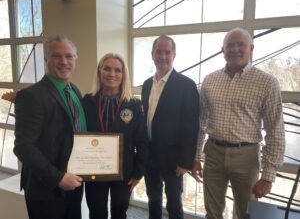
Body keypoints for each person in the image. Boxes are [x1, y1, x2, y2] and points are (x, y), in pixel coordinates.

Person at [192, 27, 285, 219]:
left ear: (251, 48)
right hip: (213, 154)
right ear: (222, 50)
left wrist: (268, 176)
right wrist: (195, 157)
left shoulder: (267, 82)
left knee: (245, 213)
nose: (235, 49)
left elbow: (275, 130)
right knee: (212, 210)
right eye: (230, 45)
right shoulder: (210, 80)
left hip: (247, 157)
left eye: (240, 44)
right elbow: (201, 123)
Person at [13, 34, 86, 219]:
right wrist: (58, 178)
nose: (64, 61)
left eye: (69, 56)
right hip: (45, 189)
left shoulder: (75, 91)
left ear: (75, 59)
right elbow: (23, 147)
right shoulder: (31, 96)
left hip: (74, 182)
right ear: (46, 59)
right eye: (56, 56)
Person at [82, 53, 148, 219]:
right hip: (94, 169)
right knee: (96, 212)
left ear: (123, 75)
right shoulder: (87, 101)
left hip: (124, 170)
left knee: (120, 212)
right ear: (99, 71)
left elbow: (142, 141)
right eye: (107, 69)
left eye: (117, 70)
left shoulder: (134, 104)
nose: (112, 74)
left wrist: (138, 172)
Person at [141, 35, 200, 219]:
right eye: (159, 52)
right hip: (150, 154)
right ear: (152, 54)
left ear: (174, 55)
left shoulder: (186, 85)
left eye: (168, 52)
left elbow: (191, 126)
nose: (163, 56)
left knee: (174, 202)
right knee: (153, 199)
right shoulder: (146, 84)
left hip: (174, 158)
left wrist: (185, 161)